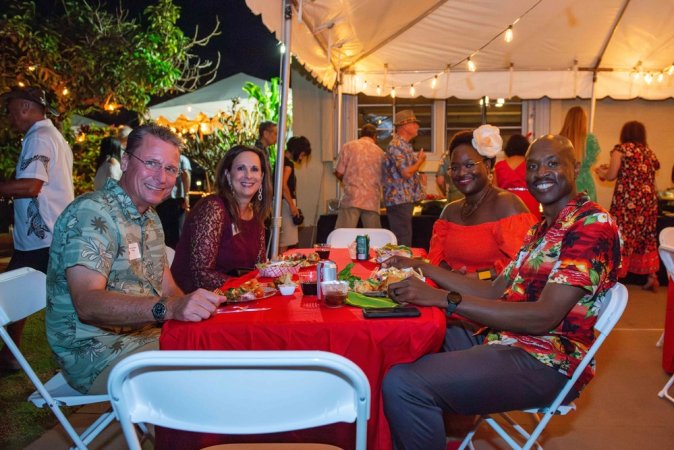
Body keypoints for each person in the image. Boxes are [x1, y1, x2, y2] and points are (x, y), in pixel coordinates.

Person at [381, 135, 621, 449]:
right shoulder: (541, 228)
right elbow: (495, 289)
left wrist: (443, 299)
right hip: (506, 337)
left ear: (575, 168)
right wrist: (422, 267)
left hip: (546, 359)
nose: (540, 173)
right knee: (406, 338)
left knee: (403, 384)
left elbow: (543, 317)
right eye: (533, 166)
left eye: (552, 163)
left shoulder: (591, 224)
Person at [45, 124, 224, 394]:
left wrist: (192, 310)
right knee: (203, 382)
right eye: (151, 163)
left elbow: (168, 289)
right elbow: (87, 303)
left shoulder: (150, 218)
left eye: (170, 169)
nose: (161, 177)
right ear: (126, 161)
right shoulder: (92, 213)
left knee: (227, 350)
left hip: (146, 337)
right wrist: (171, 309)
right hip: (97, 352)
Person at [0, 85, 74, 372]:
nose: (9, 119)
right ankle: (9, 352)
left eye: (10, 112)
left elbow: (31, 185)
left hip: (42, 236)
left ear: (25, 108)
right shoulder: (51, 135)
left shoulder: (40, 137)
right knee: (21, 295)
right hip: (46, 235)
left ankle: (10, 353)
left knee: (11, 294)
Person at [428, 127, 537, 279]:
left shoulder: (506, 204)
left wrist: (477, 276)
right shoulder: (449, 211)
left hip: (493, 298)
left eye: (469, 165)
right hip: (450, 294)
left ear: (487, 165)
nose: (461, 173)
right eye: (454, 167)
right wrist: (450, 276)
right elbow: (436, 259)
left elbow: (523, 264)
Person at [172, 145, 272, 292]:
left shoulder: (256, 216)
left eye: (254, 169)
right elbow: (201, 274)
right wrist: (245, 285)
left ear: (262, 177)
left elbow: (258, 268)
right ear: (227, 174)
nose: (248, 175)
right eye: (240, 168)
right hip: (193, 304)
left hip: (236, 300)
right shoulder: (213, 208)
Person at [595, 120, 660, 291]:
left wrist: (600, 171)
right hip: (648, 202)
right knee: (646, 237)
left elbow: (611, 175)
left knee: (620, 235)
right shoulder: (649, 152)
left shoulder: (621, 149)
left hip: (627, 202)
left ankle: (614, 277)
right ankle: (652, 277)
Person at [383, 110, 426, 246]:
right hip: (399, 199)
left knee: (404, 237)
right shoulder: (397, 145)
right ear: (404, 125)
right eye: (414, 123)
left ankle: (402, 264)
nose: (417, 127)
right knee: (403, 239)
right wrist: (419, 162)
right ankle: (401, 265)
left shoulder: (404, 145)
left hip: (403, 199)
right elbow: (406, 173)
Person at [334, 123, 384, 228]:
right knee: (374, 237)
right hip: (372, 199)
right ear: (375, 136)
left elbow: (339, 172)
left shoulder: (348, 146)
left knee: (344, 235)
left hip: (352, 196)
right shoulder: (380, 153)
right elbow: (383, 178)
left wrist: (347, 180)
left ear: (360, 134)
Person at [494, 133, 541, 219]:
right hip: (530, 201)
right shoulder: (531, 164)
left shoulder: (499, 166)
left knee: (509, 230)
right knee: (531, 229)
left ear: (508, 148)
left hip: (507, 203)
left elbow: (494, 191)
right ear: (526, 148)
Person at [559, 106, 600, 201]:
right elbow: (592, 160)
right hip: (586, 184)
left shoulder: (559, 141)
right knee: (588, 214)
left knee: (565, 214)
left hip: (564, 183)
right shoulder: (590, 140)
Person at [279, 136, 312, 253]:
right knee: (286, 241)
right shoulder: (288, 165)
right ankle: (281, 268)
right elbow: (283, 186)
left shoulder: (280, 161)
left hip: (280, 203)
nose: (301, 158)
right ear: (297, 150)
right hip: (286, 203)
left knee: (282, 240)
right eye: (302, 154)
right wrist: (292, 206)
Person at [156, 154, 192, 248]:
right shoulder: (181, 159)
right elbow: (186, 175)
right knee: (176, 232)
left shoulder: (164, 157)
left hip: (166, 199)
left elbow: (185, 175)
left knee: (168, 232)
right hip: (174, 199)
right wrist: (186, 195)